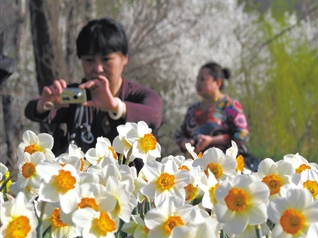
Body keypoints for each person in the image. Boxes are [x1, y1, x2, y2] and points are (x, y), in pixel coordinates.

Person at [25, 18, 162, 162]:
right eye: (89, 60)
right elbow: (34, 110)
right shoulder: (77, 95)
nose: (98, 69)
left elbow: (154, 116)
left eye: (106, 59)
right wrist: (45, 103)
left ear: (124, 58)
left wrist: (115, 107)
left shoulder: (140, 95)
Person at [176, 62, 249, 155]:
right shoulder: (193, 108)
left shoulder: (230, 105)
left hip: (224, 164)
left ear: (218, 82)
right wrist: (187, 143)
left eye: (203, 79)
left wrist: (212, 140)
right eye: (197, 79)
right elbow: (180, 136)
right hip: (197, 164)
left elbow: (243, 135)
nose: (198, 83)